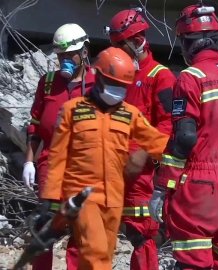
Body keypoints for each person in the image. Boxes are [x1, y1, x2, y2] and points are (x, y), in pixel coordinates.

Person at [148, 3, 218, 270]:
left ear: (189, 42)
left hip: (198, 189)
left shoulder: (190, 78)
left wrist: (162, 187)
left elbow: (185, 138)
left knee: (194, 262)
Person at [38, 47, 170, 270]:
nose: (118, 90)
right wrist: (52, 199)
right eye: (113, 83)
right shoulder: (72, 111)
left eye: (122, 86)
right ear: (97, 77)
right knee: (95, 252)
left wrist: (144, 152)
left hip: (113, 199)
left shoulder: (129, 113)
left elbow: (159, 142)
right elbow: (58, 156)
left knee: (100, 258)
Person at [105, 8, 176, 270]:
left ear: (137, 42)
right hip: (114, 167)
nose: (116, 53)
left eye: (120, 47)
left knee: (141, 232)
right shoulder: (119, 75)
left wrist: (144, 152)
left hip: (142, 172)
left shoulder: (161, 76)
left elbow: (169, 123)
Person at [23, 23, 94, 270]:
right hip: (50, 166)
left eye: (69, 54)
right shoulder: (49, 82)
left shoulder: (99, 84)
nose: (64, 60)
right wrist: (29, 161)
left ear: (84, 52)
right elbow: (34, 126)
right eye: (60, 55)